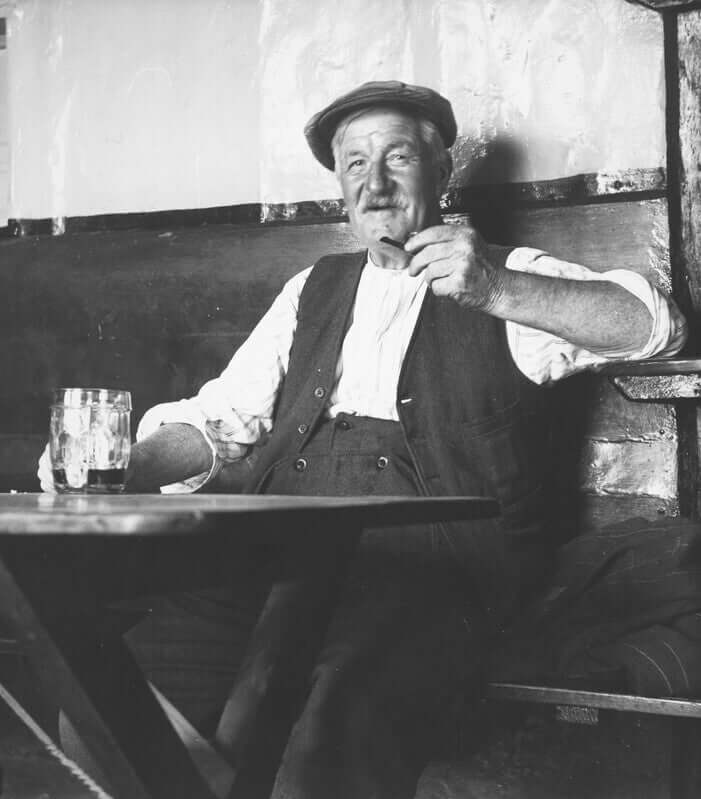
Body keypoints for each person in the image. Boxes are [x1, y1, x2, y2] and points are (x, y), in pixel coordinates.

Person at [38, 81, 686, 798]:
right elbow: (222, 419)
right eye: (354, 164)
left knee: (331, 724)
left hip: (427, 573)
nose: (374, 184)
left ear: (440, 171)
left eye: (396, 157)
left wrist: (494, 289)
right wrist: (124, 467)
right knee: (113, 688)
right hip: (281, 557)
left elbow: (651, 326)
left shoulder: (504, 274)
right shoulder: (312, 287)